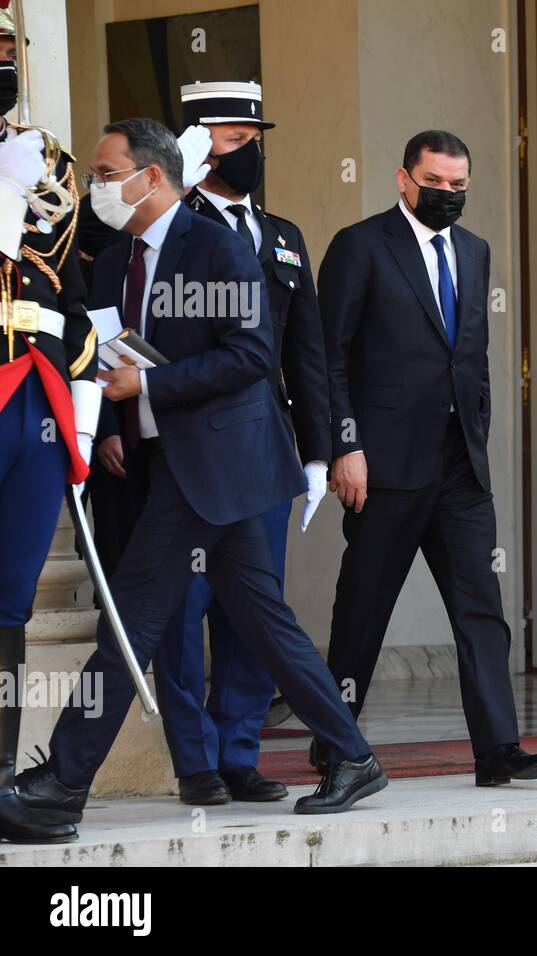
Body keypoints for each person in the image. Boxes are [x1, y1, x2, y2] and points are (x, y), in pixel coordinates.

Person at [15, 118, 386, 821]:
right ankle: (356, 757)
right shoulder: (116, 260)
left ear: (152, 177)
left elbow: (251, 355)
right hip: (176, 467)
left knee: (129, 619)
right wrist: (118, 420)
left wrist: (148, 389)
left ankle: (62, 785)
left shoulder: (215, 246)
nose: (97, 187)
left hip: (221, 463)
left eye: (104, 172)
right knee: (264, 625)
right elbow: (113, 350)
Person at [319, 129, 537, 787]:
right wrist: (345, 445)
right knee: (363, 609)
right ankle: (335, 743)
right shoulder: (360, 246)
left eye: (458, 186)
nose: (447, 195)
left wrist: (477, 428)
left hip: (459, 465)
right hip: (383, 464)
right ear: (403, 179)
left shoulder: (475, 252)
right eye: (435, 183)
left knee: (482, 608)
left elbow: (469, 354)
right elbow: (328, 358)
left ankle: (497, 749)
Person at [131, 80, 330, 807]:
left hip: (258, 448)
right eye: (231, 139)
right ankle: (197, 762)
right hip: (180, 444)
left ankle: (240, 752)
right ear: (192, 145)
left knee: (254, 608)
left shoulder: (283, 237)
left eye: (253, 140)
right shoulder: (164, 228)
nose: (248, 152)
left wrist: (317, 450)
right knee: (181, 609)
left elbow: (305, 354)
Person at [0, 35, 98, 844]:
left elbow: (69, 275)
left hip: (32, 393)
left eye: (6, 46)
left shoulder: (49, 159)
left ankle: (0, 779)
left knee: (11, 597)